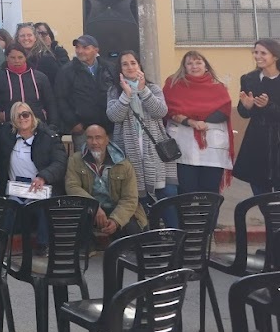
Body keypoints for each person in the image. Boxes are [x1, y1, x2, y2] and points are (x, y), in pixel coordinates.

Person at [0, 100, 67, 250]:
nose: (22, 118)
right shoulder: (7, 134)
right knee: (8, 210)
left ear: (32, 116)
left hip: (40, 189)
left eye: (25, 114)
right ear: (13, 120)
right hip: (16, 189)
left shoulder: (48, 136)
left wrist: (43, 177)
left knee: (43, 209)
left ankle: (43, 247)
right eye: (18, 116)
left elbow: (60, 162)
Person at [106, 50, 177, 217]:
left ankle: (172, 232)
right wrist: (126, 95)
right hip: (129, 150)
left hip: (156, 150)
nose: (130, 67)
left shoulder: (153, 88)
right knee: (138, 200)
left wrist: (143, 90)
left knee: (166, 198)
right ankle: (146, 231)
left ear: (139, 66)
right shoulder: (114, 91)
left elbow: (161, 111)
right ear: (120, 69)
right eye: (125, 64)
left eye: (133, 63)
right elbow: (114, 116)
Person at [163, 50, 235, 194]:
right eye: (190, 63)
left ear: (206, 66)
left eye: (198, 62)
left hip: (212, 149)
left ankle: (208, 210)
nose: (194, 66)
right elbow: (170, 110)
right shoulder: (173, 85)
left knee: (210, 191)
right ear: (184, 67)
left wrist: (197, 119)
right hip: (183, 148)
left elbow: (224, 110)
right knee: (185, 190)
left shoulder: (218, 86)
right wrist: (190, 122)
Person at [65, 123, 146, 240]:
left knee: (131, 231)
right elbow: (72, 186)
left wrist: (116, 220)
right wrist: (94, 207)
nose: (94, 142)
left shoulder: (123, 164)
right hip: (89, 208)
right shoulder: (75, 160)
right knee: (74, 229)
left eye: (98, 138)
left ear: (107, 140)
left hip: (117, 208)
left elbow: (130, 198)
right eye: (90, 138)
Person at [234, 38, 280, 195]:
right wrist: (247, 106)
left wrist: (268, 106)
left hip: (277, 140)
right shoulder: (249, 79)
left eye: (263, 53)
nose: (257, 56)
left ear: (275, 56)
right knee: (260, 192)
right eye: (255, 52)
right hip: (257, 141)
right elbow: (243, 112)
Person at [55, 35, 116, 145]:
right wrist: (73, 123)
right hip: (83, 130)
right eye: (77, 47)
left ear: (96, 50)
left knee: (112, 155)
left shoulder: (109, 68)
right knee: (84, 156)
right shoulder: (66, 71)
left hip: (109, 128)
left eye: (85, 48)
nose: (80, 51)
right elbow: (60, 99)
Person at [0, 44, 56, 129]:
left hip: (37, 123)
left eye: (20, 57)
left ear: (25, 57)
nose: (17, 61)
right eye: (13, 58)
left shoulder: (40, 77)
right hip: (10, 125)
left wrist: (52, 124)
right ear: (7, 58)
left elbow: (50, 102)